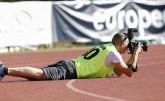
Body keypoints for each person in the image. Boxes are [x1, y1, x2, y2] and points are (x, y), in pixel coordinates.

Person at [0, 33, 143, 81]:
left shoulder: (109, 48)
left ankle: (4, 69)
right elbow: (129, 73)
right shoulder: (113, 54)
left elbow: (119, 72)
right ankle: (4, 70)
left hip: (70, 65)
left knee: (37, 74)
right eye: (128, 44)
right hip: (71, 70)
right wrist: (135, 53)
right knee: (38, 74)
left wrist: (131, 56)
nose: (129, 46)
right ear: (123, 43)